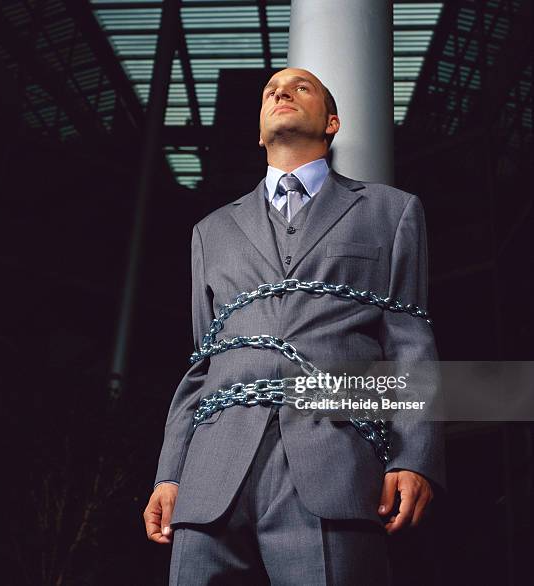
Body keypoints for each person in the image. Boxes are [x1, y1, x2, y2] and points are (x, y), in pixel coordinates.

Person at [143, 67, 444, 585]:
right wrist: (170, 472)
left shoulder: (391, 212)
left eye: (300, 87)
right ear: (260, 131)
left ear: (331, 122)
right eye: (271, 92)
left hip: (334, 461)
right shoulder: (210, 231)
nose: (281, 92)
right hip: (212, 474)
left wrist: (415, 456)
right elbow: (201, 363)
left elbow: (410, 342)